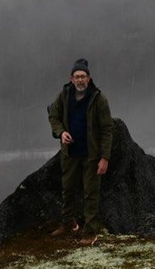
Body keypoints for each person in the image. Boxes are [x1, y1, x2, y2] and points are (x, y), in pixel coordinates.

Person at [47, 57, 113, 244]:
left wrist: (105, 157)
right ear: (71, 78)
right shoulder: (64, 94)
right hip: (70, 152)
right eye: (77, 76)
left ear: (89, 78)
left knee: (90, 193)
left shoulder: (98, 99)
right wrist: (61, 133)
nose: (80, 80)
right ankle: (69, 223)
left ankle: (90, 232)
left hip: (91, 155)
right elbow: (53, 115)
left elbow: (108, 129)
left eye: (83, 76)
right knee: (67, 189)